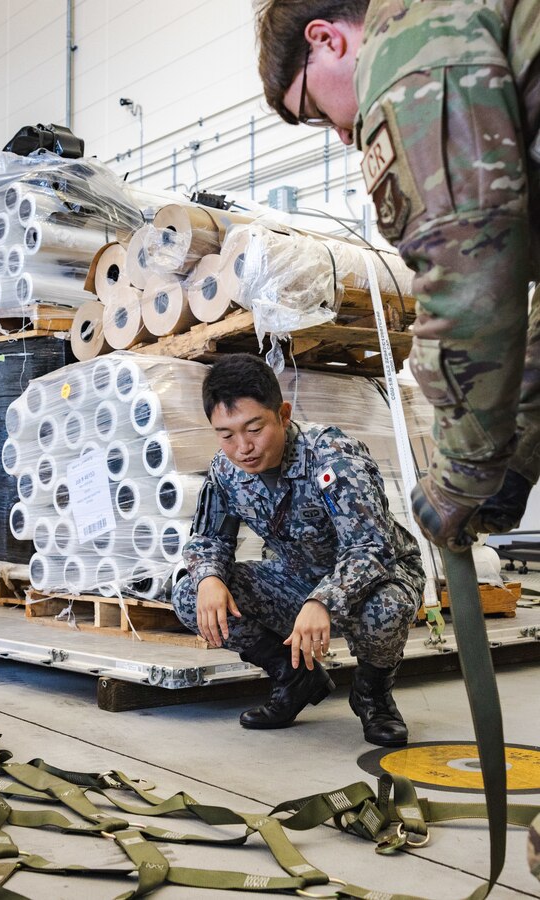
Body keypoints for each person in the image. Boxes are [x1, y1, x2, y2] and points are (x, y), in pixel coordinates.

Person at [254, 0, 540, 553]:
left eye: (314, 110)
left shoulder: (407, 50)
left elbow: (469, 286)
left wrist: (456, 482)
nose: (339, 134)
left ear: (326, 40)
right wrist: (513, 461)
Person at [172, 353, 425, 746]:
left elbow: (371, 547)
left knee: (386, 608)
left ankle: (373, 694)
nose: (243, 447)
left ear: (283, 414)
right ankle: (295, 678)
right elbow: (209, 539)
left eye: (254, 428)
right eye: (226, 434)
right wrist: (208, 577)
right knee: (191, 594)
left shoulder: (333, 455)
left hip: (377, 578)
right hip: (297, 579)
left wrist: (323, 600)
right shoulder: (225, 470)